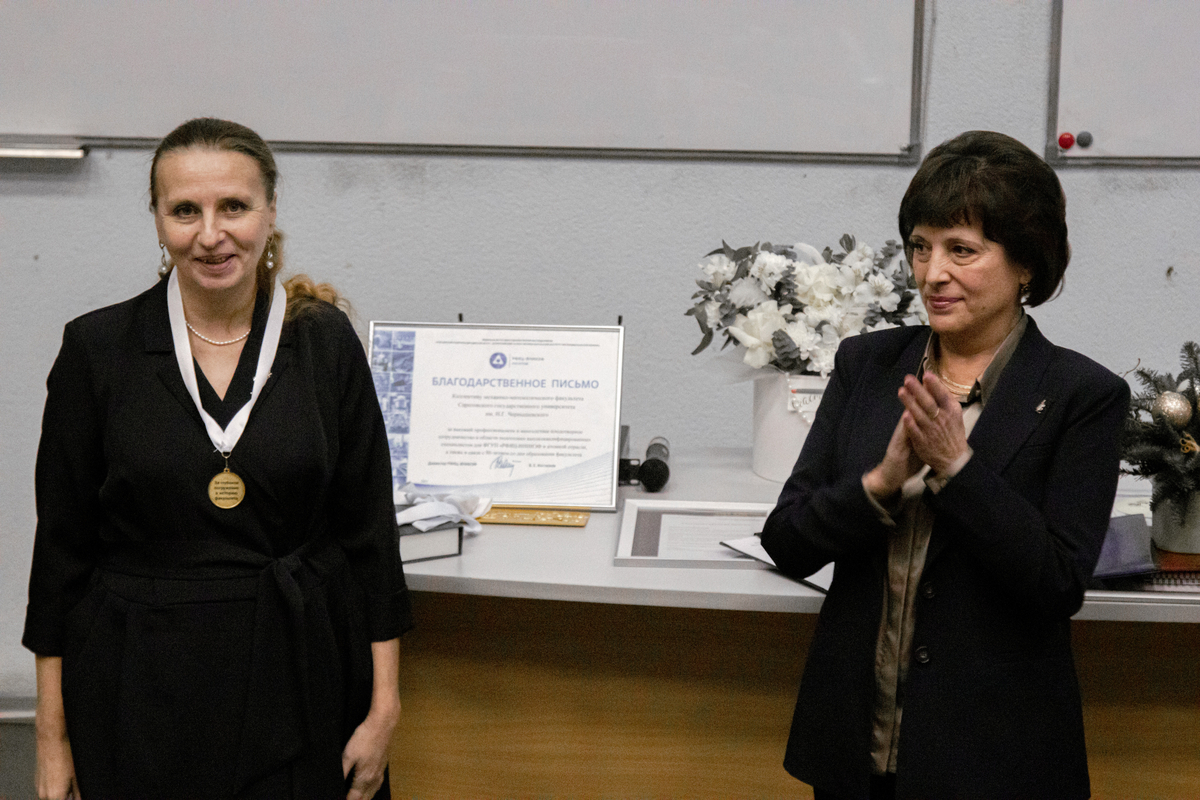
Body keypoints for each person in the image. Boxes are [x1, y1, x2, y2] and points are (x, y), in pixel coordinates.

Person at [23, 118, 412, 800]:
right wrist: (52, 739)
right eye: (185, 211)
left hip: (302, 677)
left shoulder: (325, 345)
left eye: (233, 206)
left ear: (270, 212)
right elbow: (61, 558)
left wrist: (383, 709)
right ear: (157, 220)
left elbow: (370, 540)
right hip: (140, 688)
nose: (210, 235)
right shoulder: (97, 351)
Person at [760, 131, 1129, 800]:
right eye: (920, 247)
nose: (932, 274)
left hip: (994, 759)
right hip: (856, 747)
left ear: (1027, 264)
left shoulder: (1082, 396)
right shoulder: (868, 366)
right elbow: (785, 540)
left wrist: (958, 470)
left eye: (962, 250)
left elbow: (1057, 583)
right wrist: (878, 485)